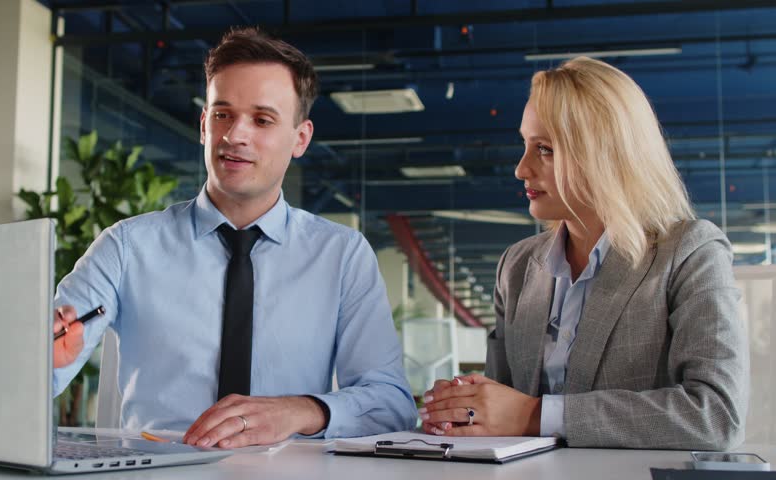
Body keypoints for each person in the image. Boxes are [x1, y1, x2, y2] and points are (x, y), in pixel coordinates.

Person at [52, 27, 416, 448]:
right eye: (223, 114)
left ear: (301, 138)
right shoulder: (126, 247)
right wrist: (45, 363)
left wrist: (300, 410)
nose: (235, 135)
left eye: (262, 119)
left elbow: (392, 403)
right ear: (204, 125)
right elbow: (43, 363)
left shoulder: (342, 255)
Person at [420, 57, 748, 450]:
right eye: (525, 145)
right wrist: (464, 411)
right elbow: (502, 416)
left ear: (605, 154)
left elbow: (715, 416)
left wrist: (534, 415)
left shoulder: (689, 253)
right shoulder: (517, 267)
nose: (521, 169)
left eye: (544, 149)